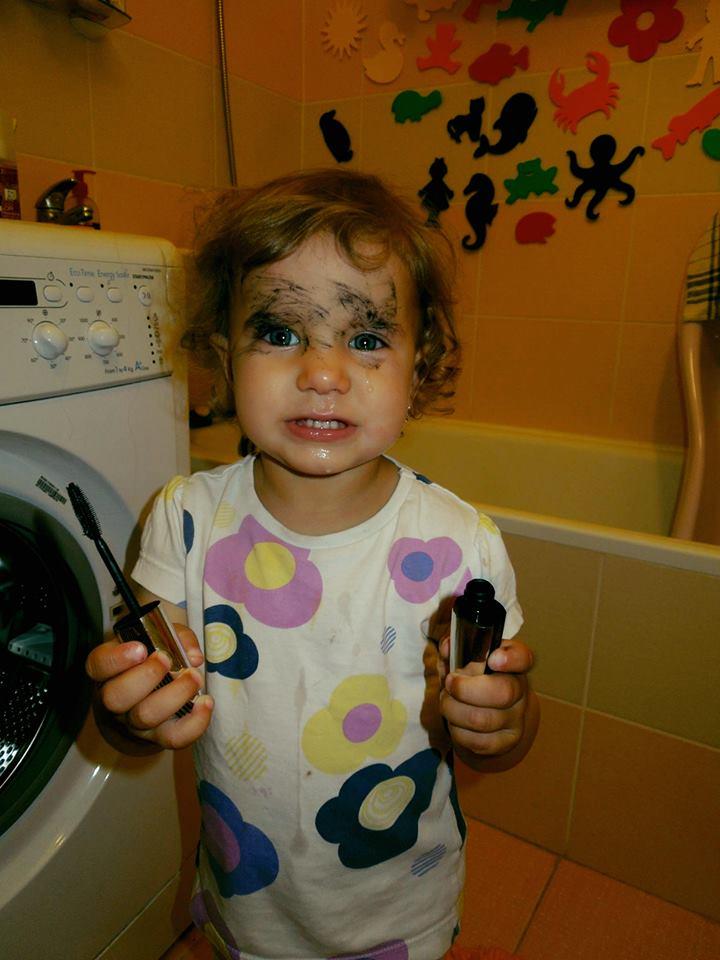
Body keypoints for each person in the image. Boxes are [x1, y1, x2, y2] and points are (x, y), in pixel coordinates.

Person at [86, 169, 539, 960]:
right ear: (225, 355)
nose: (323, 372)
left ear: (418, 365)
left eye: (365, 339)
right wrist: (129, 712)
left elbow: (500, 728)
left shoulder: (462, 546)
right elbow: (140, 708)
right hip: (247, 900)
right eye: (280, 331)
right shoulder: (185, 521)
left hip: (401, 913)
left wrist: (502, 722)